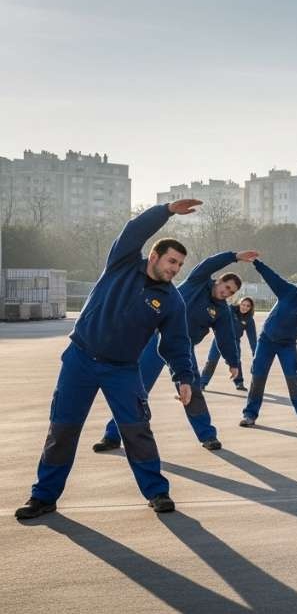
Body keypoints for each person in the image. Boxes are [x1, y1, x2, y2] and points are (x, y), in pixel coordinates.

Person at [15, 200, 202, 520]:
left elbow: (176, 343)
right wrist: (167, 210)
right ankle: (43, 496)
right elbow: (134, 230)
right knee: (62, 429)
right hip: (80, 360)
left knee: (137, 430)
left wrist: (183, 377)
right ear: (154, 256)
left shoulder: (172, 300)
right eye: (172, 261)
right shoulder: (122, 263)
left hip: (122, 370)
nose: (175, 269)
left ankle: (157, 492)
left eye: (180, 265)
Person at [93, 250, 258, 453]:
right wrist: (234, 256)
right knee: (136, 388)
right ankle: (112, 435)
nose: (226, 292)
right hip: (157, 339)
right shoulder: (198, 282)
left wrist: (233, 362)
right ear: (218, 281)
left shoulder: (221, 310)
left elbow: (226, 338)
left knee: (192, 391)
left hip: (183, 350)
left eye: (231, 292)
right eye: (226, 287)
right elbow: (209, 263)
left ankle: (208, 436)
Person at [241, 259, 297, 427]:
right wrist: (257, 263)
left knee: (293, 378)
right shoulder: (288, 291)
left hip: (287, 346)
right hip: (266, 340)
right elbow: (272, 277)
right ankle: (249, 415)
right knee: (258, 377)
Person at [197, 296, 257, 391]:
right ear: (239, 304)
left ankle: (239, 383)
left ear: (250, 308)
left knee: (236, 361)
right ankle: (202, 383)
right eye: (243, 304)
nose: (244, 307)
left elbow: (252, 339)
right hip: (220, 339)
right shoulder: (230, 310)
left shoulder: (249, 320)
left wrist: (256, 354)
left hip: (234, 342)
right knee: (212, 361)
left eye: (247, 306)